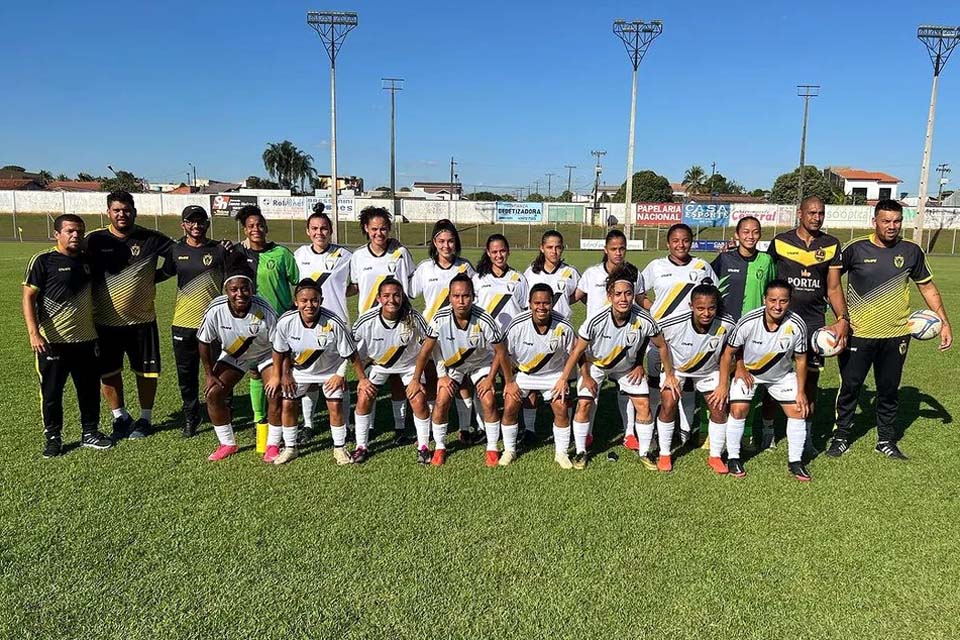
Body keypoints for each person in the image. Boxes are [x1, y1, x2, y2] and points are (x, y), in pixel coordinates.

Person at [827, 199, 953, 460]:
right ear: (875, 221)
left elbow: (927, 287)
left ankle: (885, 440)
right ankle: (840, 437)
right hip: (859, 334)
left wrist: (944, 322)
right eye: (886, 221)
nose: (892, 226)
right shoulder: (855, 249)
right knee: (851, 386)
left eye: (896, 221)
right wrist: (842, 317)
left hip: (896, 334)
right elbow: (833, 284)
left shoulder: (911, 251)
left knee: (889, 389)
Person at [554, 266, 680, 470]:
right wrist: (571, 378)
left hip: (626, 368)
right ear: (610, 295)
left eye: (628, 293)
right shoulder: (595, 320)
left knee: (643, 405)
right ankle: (580, 451)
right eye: (618, 294)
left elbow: (662, 345)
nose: (623, 298)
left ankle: (645, 452)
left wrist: (669, 374)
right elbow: (578, 352)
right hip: (596, 365)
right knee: (584, 404)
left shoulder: (644, 319)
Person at [86, 190, 173, 440]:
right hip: (105, 322)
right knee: (109, 372)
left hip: (142, 321)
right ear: (108, 213)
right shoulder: (94, 240)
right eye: (117, 210)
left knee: (146, 373)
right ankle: (120, 417)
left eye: (126, 210)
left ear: (134, 211)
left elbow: (178, 257)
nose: (122, 214)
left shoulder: (151, 238)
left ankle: (145, 419)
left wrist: (157, 277)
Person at [23, 214, 111, 457]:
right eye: (70, 231)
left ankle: (90, 432)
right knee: (51, 392)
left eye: (79, 232)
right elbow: (28, 297)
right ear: (57, 234)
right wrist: (34, 333)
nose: (75, 236)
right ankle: (53, 437)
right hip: (52, 342)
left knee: (89, 389)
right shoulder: (43, 261)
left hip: (86, 340)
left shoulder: (88, 260)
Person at [766, 196, 848, 454]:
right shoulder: (780, 242)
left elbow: (833, 287)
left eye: (821, 213)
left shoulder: (832, 244)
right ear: (800, 213)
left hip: (814, 324)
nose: (817, 217)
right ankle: (768, 431)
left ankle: (807, 436)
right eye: (812, 212)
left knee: (810, 382)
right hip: (781, 320)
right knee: (773, 376)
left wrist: (842, 319)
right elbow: (768, 278)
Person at [715, 279, 811, 480]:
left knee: (798, 410)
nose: (777, 306)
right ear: (764, 299)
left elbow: (801, 360)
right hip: (749, 373)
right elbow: (727, 353)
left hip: (781, 376)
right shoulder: (749, 321)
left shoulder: (797, 324)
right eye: (773, 300)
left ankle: (795, 462)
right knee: (738, 409)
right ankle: (733, 457)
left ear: (790, 301)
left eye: (783, 301)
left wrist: (801, 391)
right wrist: (726, 383)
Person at [407, 274, 506, 467]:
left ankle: (492, 447)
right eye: (456, 296)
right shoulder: (440, 317)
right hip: (453, 365)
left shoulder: (484, 318)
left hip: (480, 364)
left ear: (473, 296)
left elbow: (500, 351)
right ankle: (441, 447)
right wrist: (419, 379)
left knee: (488, 399)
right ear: (450, 297)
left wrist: (491, 379)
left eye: (466, 296)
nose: (461, 301)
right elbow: (426, 350)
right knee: (442, 400)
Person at [637, 223, 718, 448]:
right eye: (675, 240)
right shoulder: (656, 266)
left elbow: (713, 295)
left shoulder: (702, 266)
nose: (680, 245)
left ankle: (684, 429)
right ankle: (654, 426)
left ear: (691, 242)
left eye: (685, 240)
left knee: (688, 384)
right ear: (668, 243)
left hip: (693, 339)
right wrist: (654, 310)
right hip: (660, 337)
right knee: (658, 384)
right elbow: (638, 293)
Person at [272, 279, 368, 465]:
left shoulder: (334, 322)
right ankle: (291, 448)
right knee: (287, 404)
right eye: (304, 300)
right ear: (296, 301)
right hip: (299, 371)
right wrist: (281, 375)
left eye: (314, 300)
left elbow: (351, 354)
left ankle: (339, 448)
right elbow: (279, 351)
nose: (309, 305)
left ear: (321, 300)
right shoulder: (286, 322)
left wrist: (358, 378)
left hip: (329, 372)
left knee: (334, 406)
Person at [197, 257, 280, 462]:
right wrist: (209, 375)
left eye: (244, 288)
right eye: (234, 289)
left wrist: (279, 374)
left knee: (275, 391)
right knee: (213, 393)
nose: (240, 294)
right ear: (227, 290)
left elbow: (280, 344)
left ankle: (273, 444)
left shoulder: (265, 309)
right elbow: (203, 341)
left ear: (251, 289)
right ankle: (228, 443)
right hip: (235, 356)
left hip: (265, 353)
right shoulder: (215, 309)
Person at [158, 205, 230, 437]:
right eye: (191, 222)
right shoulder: (175, 250)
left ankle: (222, 411)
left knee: (219, 371)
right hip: (183, 322)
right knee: (186, 374)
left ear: (207, 224)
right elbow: (163, 274)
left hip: (214, 324)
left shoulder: (220, 249)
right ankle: (191, 417)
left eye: (200, 222)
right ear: (183, 225)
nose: (196, 226)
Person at [410, 219, 481, 442]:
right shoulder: (425, 268)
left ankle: (464, 426)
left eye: (450, 241)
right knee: (432, 377)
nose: (446, 246)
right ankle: (433, 423)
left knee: (462, 379)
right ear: (434, 242)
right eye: (441, 241)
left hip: (459, 332)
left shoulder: (465, 267)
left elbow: (476, 296)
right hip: (432, 333)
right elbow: (410, 295)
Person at [573, 228, 643, 450]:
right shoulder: (592, 273)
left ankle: (630, 433)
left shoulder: (634, 274)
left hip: (625, 347)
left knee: (627, 391)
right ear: (605, 250)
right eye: (614, 249)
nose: (618, 253)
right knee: (589, 394)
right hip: (596, 349)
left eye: (622, 248)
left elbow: (640, 301)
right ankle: (587, 435)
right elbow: (577, 297)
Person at [350, 206, 416, 440]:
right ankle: (367, 426)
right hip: (369, 326)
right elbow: (356, 286)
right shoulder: (357, 256)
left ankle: (400, 427)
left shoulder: (400, 252)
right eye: (374, 229)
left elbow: (411, 285)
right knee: (368, 376)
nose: (379, 233)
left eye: (384, 229)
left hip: (399, 323)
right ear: (366, 229)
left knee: (397, 375)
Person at [352, 278, 434, 464]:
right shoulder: (367, 319)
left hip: (408, 366)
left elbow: (429, 342)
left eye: (396, 295)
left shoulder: (413, 317)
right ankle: (361, 446)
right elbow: (349, 347)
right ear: (379, 298)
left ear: (402, 296)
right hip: (379, 365)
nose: (392, 300)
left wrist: (416, 378)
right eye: (386, 296)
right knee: (364, 396)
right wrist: (361, 378)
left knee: (419, 398)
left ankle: (423, 446)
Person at [657, 284, 736, 474]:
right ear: (691, 306)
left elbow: (730, 352)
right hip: (677, 370)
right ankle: (665, 453)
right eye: (700, 308)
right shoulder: (673, 322)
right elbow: (659, 343)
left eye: (711, 308)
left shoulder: (728, 324)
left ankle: (716, 456)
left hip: (709, 371)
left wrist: (724, 384)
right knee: (669, 402)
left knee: (719, 407)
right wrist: (669, 374)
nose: (706, 313)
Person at [234, 205, 298, 435]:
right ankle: (259, 419)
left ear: (266, 227)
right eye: (251, 226)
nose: (256, 229)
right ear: (244, 229)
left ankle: (284, 416)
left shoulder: (281, 253)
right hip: (252, 324)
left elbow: (298, 282)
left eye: (260, 225)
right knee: (255, 372)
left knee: (282, 369)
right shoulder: (238, 255)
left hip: (280, 323)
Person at [294, 204, 356, 442]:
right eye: (315, 228)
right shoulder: (299, 255)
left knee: (339, 378)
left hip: (337, 324)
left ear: (331, 231)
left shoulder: (345, 256)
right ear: (308, 231)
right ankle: (308, 425)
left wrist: (339, 292)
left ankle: (347, 425)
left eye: (324, 228)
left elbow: (356, 285)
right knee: (310, 376)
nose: (320, 232)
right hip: (308, 324)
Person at [501, 284, 578, 468]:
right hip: (524, 373)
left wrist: (564, 379)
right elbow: (502, 353)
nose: (541, 307)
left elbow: (575, 352)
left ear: (552, 304)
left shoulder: (563, 325)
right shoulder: (518, 324)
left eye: (546, 303)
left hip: (553, 375)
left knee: (561, 407)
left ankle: (561, 453)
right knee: (510, 405)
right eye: (537, 303)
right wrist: (509, 381)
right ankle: (509, 450)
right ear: (529, 304)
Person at [712, 216, 776, 321]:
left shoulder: (766, 260)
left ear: (760, 235)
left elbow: (772, 288)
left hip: (755, 322)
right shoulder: (724, 258)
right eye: (745, 232)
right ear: (737, 235)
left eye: (755, 232)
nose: (750, 236)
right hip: (726, 321)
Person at [473, 234, 529, 330]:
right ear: (488, 253)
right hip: (485, 336)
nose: (499, 255)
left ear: (508, 251)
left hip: (512, 336)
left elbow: (526, 309)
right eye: (494, 252)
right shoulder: (478, 278)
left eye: (502, 251)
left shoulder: (519, 278)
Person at [523, 230, 581, 319]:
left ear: (562, 248)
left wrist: (564, 300)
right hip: (536, 326)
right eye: (549, 247)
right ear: (542, 248)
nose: (554, 251)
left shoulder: (571, 272)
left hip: (561, 326)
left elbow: (580, 294)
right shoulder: (530, 272)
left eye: (558, 247)